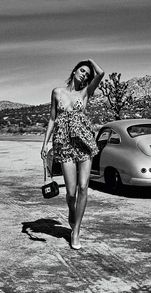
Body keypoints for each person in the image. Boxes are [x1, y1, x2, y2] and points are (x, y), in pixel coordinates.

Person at [41, 59, 104, 249]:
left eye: (87, 73)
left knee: (84, 187)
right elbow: (52, 119)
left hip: (84, 142)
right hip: (64, 143)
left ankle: (75, 231)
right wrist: (45, 144)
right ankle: (72, 210)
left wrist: (91, 62)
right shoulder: (57, 92)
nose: (84, 74)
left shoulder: (85, 92)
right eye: (82, 70)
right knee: (70, 192)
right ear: (75, 70)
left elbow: (101, 74)